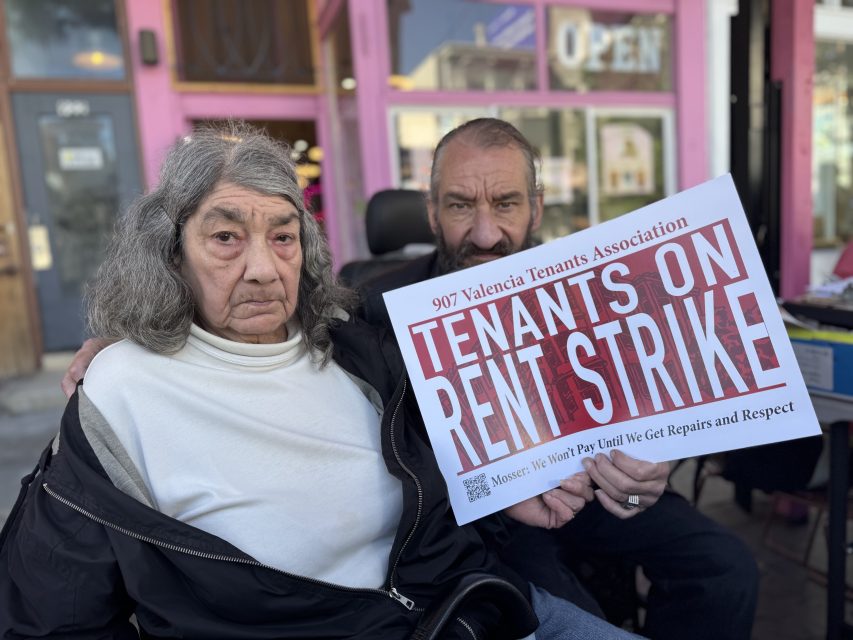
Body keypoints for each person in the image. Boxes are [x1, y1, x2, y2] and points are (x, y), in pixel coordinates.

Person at [1, 122, 644, 639]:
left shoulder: (357, 346)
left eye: (283, 237)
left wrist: (501, 487)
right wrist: (127, 341)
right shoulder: (120, 396)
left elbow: (449, 441)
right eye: (225, 238)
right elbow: (51, 615)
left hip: (473, 606)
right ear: (171, 252)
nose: (262, 269)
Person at [357, 118, 760, 640]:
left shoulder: (585, 287)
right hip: (481, 523)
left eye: (505, 203)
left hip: (592, 491)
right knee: (582, 621)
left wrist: (652, 464)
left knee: (725, 567)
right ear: (432, 212)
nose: (485, 233)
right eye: (460, 205)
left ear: (537, 208)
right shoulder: (377, 309)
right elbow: (373, 461)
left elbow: (643, 399)